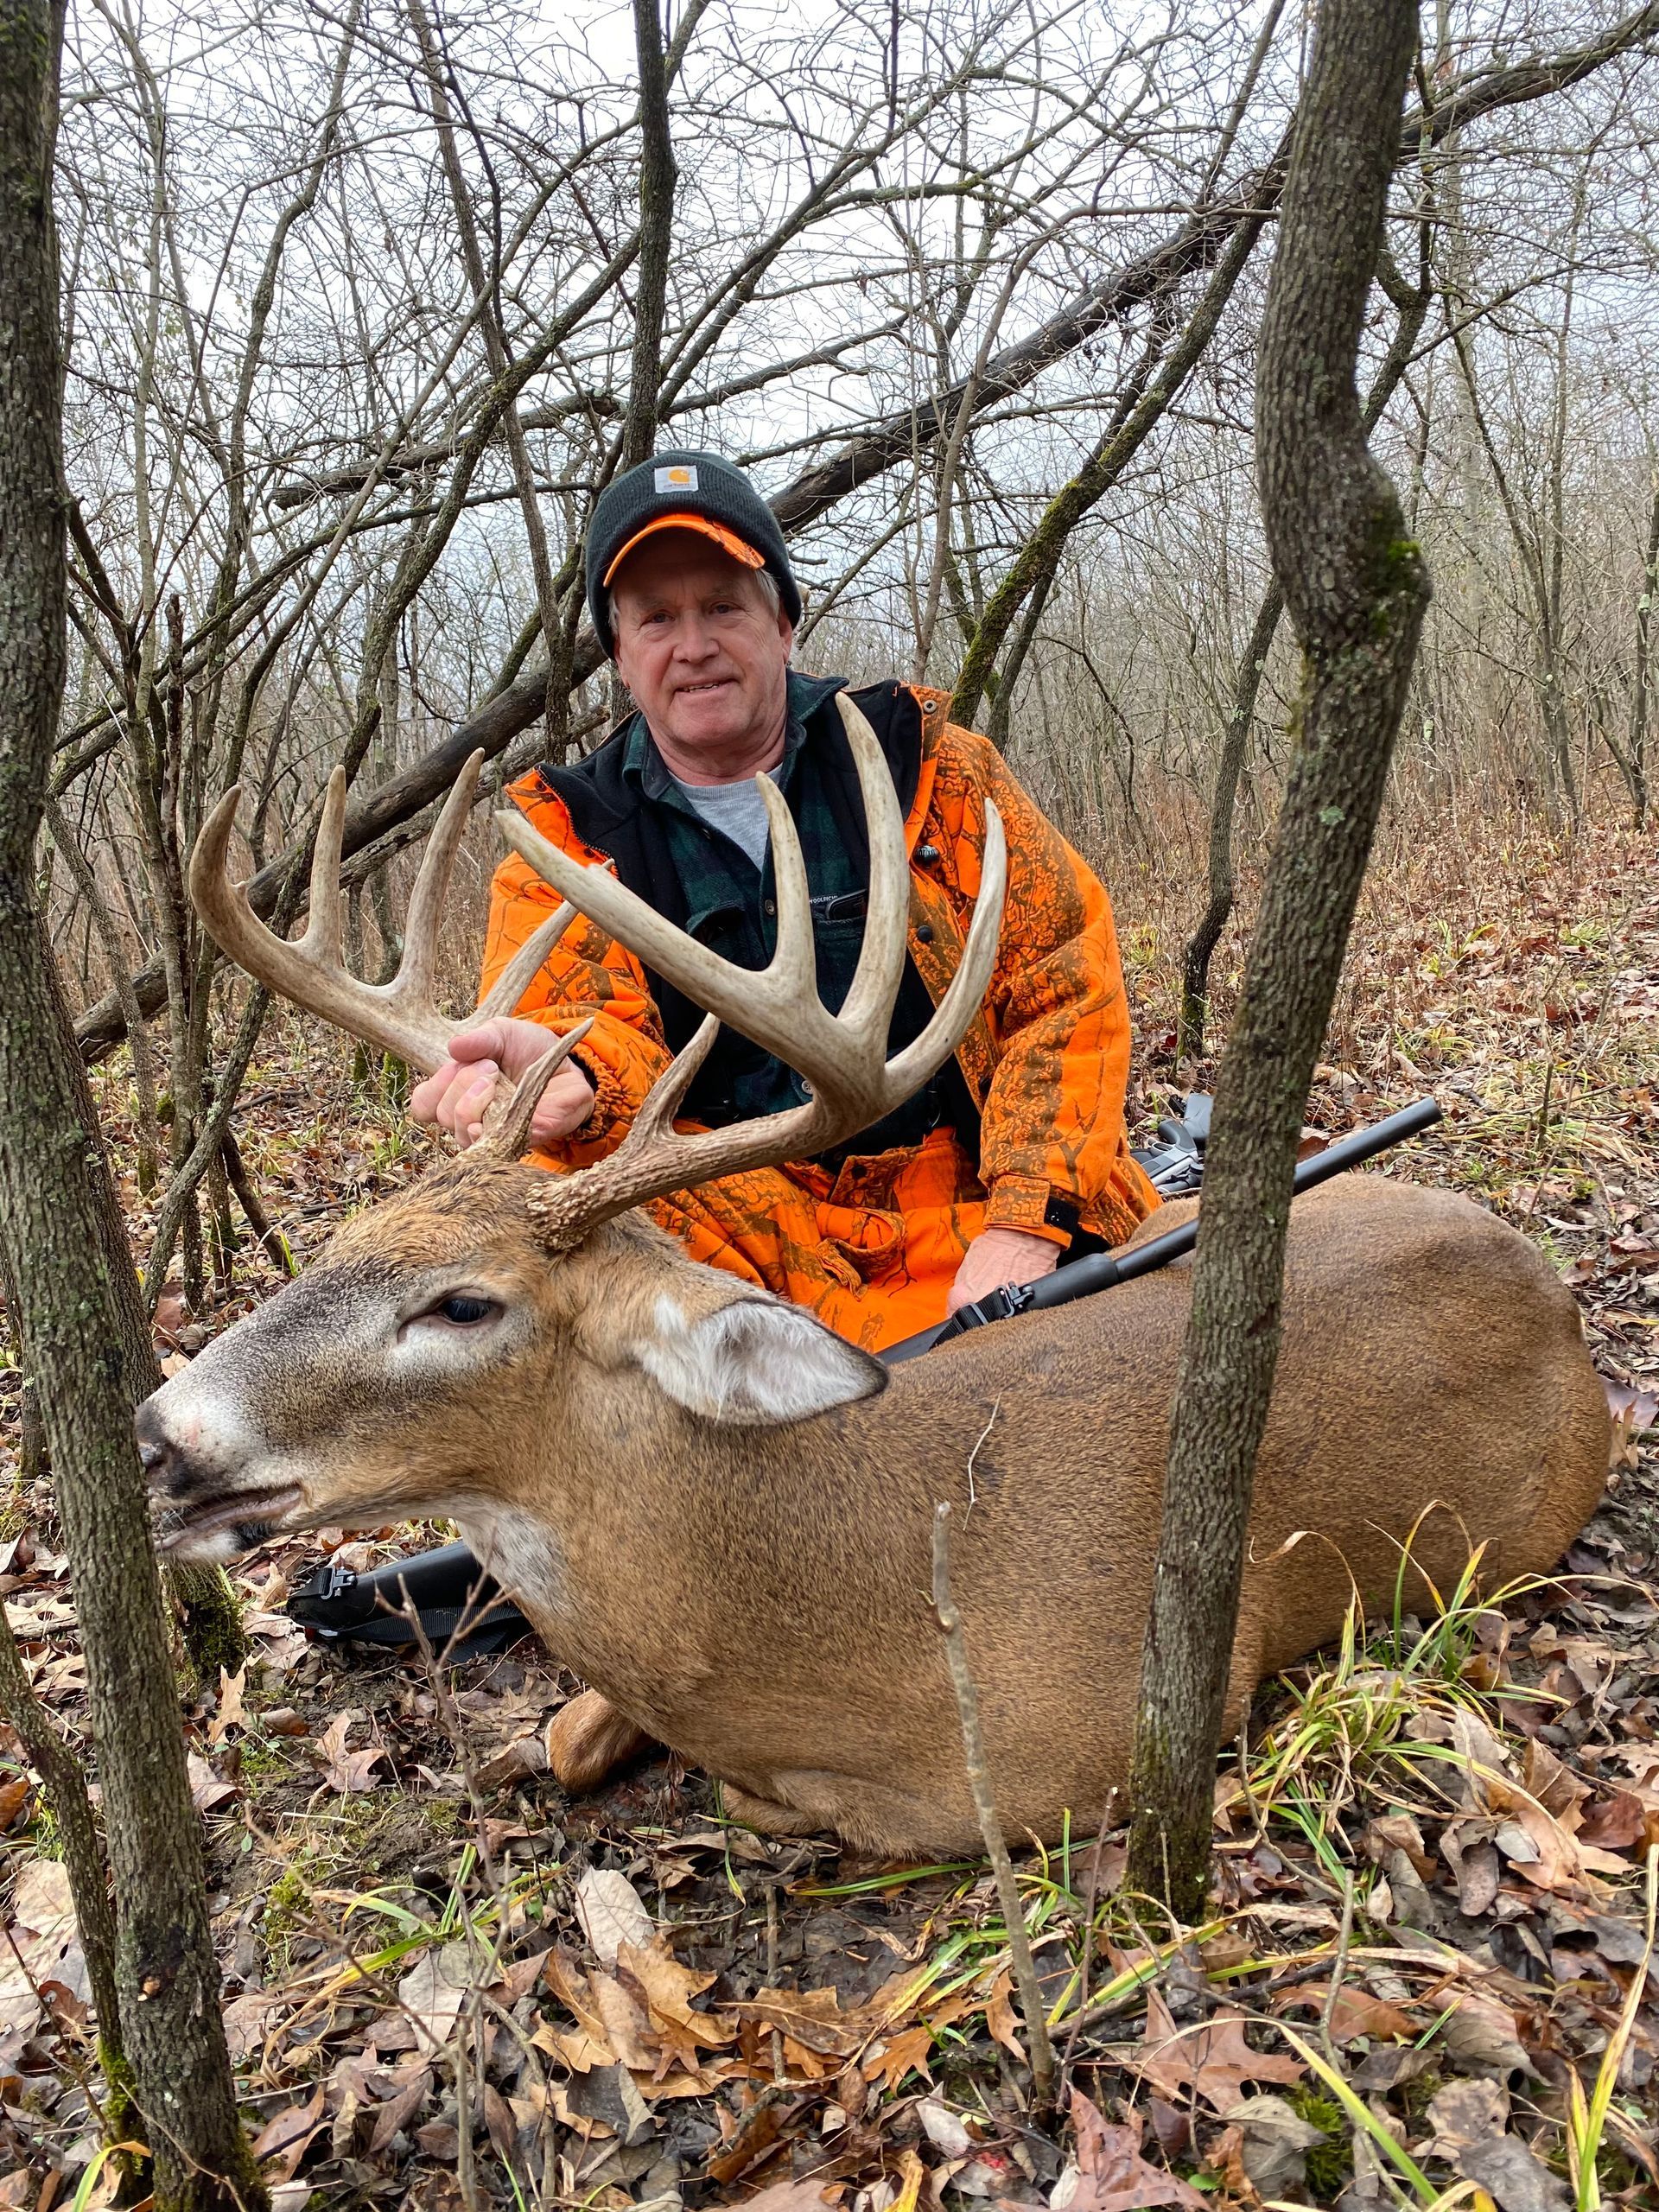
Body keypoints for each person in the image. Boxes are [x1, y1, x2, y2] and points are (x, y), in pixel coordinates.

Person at [411, 449, 1159, 1351]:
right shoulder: (566, 842)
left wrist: (1025, 1223)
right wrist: (577, 1075)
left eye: (724, 606)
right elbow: (581, 1018)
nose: (694, 646)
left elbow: (1063, 981)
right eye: (657, 618)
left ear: (783, 624)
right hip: (737, 1231)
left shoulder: (930, 770)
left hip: (965, 1195)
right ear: (620, 656)